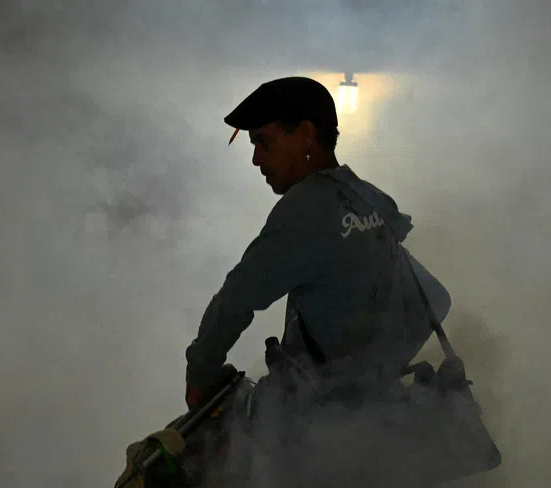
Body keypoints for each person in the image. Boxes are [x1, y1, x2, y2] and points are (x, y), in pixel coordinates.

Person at [183, 76, 453, 414]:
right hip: (381, 410)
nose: (256, 159)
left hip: (317, 426)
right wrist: (376, 368)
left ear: (307, 135)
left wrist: (200, 376)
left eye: (264, 143)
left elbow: (234, 301)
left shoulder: (306, 209)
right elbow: (437, 298)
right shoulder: (368, 197)